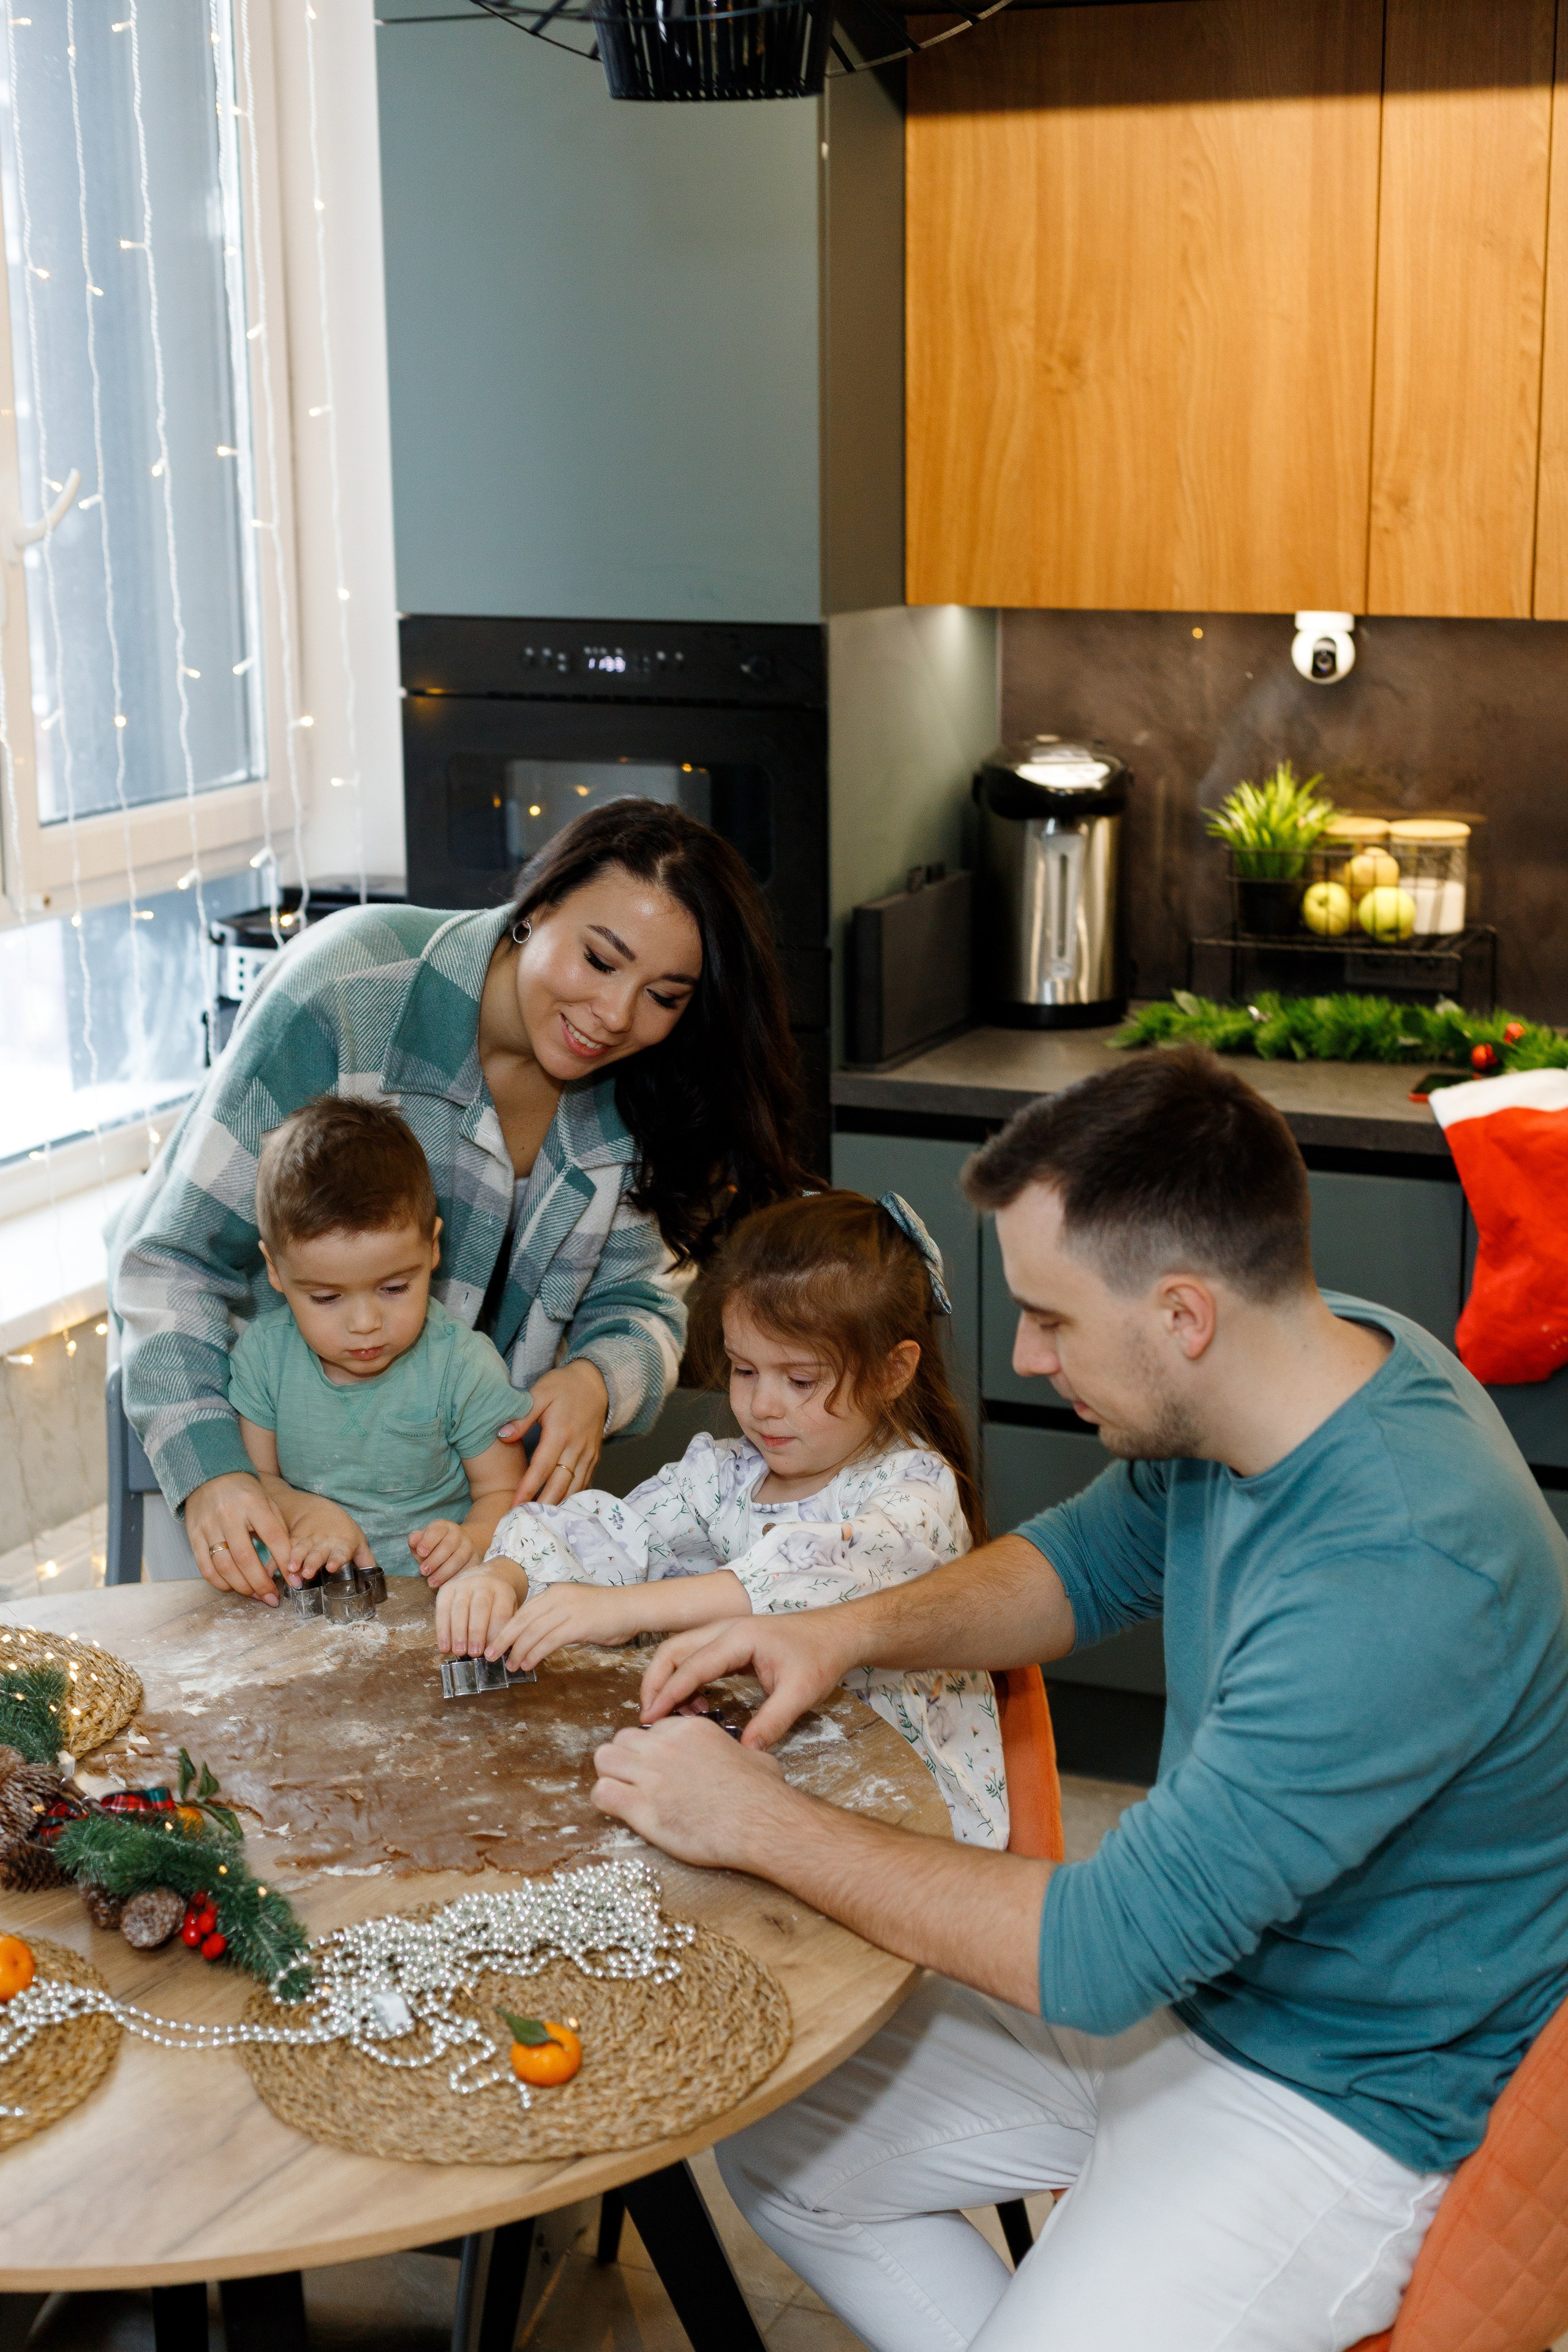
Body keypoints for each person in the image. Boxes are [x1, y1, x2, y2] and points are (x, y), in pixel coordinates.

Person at [586, 1047, 1568, 2351]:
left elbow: (1102, 1954)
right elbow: (1081, 1566)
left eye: (1049, 1316)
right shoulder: (1305, 1375)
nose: (1025, 1355)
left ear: (1180, 1316)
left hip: (1339, 2101)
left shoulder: (1392, 1572)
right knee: (789, 2141)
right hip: (1210, 1996)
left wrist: (754, 1817)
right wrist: (832, 1631)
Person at [108, 801, 805, 1602]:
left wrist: (596, 1382)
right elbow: (172, 1263)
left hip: (459, 1532)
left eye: (666, 995)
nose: (616, 1016)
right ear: (538, 904)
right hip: (270, 1487)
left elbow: (641, 1299)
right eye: (600, 959)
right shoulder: (349, 990)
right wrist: (218, 1476)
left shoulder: (650, 1087)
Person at [438, 1188, 1007, 1845]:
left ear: (893, 1370)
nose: (763, 1406)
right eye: (743, 1370)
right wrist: (504, 1575)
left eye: (800, 1381)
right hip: (770, 1780)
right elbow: (618, 1529)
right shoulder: (722, 1474)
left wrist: (623, 1608)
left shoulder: (916, 1496)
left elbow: (802, 1575)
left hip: (902, 1817)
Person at [230, 1096, 524, 1583]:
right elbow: (257, 1480)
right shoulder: (264, 1359)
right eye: (326, 1297)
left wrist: (470, 1541)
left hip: (435, 1607)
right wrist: (306, 1512)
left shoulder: (463, 1367)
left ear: (432, 1247)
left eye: (393, 1289)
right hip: (305, 1608)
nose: (365, 1323)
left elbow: (506, 1494)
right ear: (275, 1271)